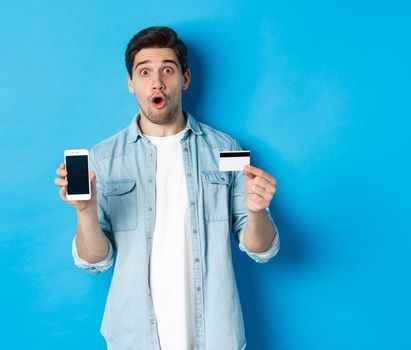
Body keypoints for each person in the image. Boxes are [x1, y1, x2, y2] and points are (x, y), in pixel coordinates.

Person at [53, 26, 280, 349]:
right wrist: (86, 213)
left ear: (184, 79)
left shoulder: (225, 149)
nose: (157, 82)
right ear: (131, 83)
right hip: (134, 337)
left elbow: (262, 249)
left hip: (215, 336)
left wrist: (257, 213)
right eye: (144, 71)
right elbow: (94, 261)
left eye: (168, 70)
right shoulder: (103, 159)